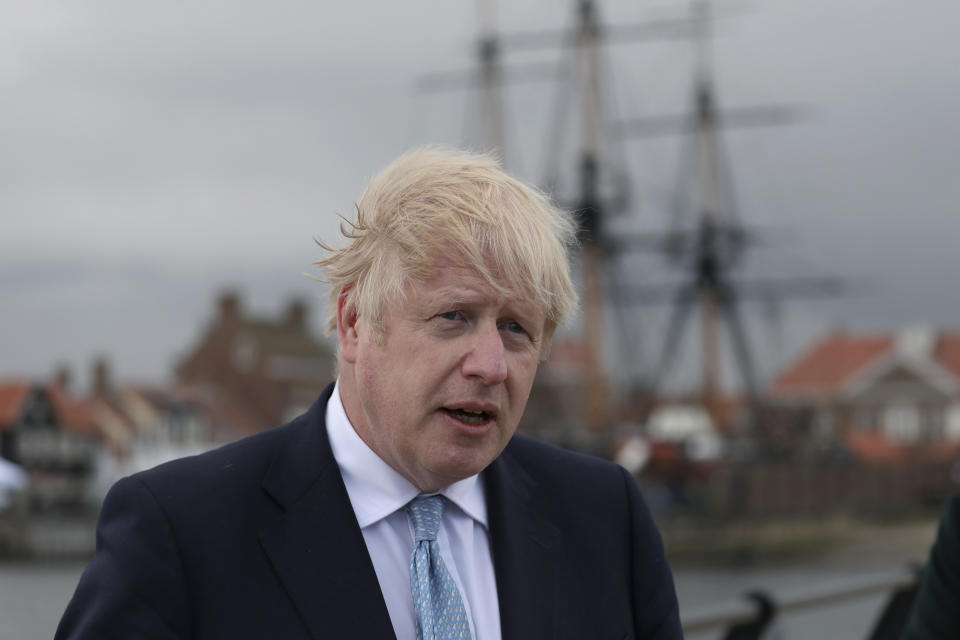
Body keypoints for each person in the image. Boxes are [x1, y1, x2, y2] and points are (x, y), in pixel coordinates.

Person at [56, 147, 682, 639]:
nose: (491, 364)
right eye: (454, 317)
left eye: (517, 329)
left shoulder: (604, 517)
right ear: (356, 323)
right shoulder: (181, 532)